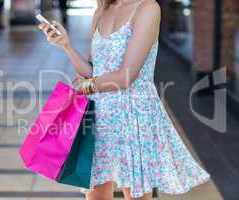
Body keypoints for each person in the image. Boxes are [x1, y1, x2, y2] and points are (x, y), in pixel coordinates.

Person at [39, 0, 211, 199]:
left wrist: (86, 86)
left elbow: (125, 77)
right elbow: (93, 71)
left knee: (136, 195)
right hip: (100, 116)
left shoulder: (147, 8)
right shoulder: (102, 9)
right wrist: (66, 45)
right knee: (97, 195)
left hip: (134, 116)